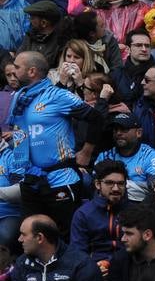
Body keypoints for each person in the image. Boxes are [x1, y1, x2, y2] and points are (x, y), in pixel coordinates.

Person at [11, 50, 101, 229]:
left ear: (32, 71)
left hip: (60, 178)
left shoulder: (58, 96)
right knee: (30, 234)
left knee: (64, 235)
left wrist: (86, 151)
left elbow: (97, 118)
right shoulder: (20, 98)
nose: (13, 71)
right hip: (30, 179)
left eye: (16, 67)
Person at [69, 160, 128, 263]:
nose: (116, 188)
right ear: (97, 184)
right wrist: (92, 269)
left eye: (121, 184)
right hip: (95, 268)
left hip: (127, 267)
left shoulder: (133, 210)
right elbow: (78, 252)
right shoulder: (83, 214)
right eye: (109, 183)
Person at [97, 112, 155, 202]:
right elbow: (97, 186)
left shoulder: (151, 156)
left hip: (140, 206)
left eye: (124, 129)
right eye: (115, 130)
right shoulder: (105, 156)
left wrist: (115, 185)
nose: (118, 133)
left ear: (139, 133)